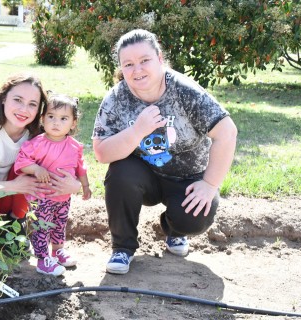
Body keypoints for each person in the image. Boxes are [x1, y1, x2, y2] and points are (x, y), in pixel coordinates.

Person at [92, 29, 237, 275]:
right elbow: (102, 152)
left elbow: (227, 132)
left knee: (196, 217)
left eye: (144, 60)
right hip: (143, 176)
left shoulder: (184, 91)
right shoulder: (116, 98)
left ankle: (174, 231)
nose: (137, 70)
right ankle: (122, 248)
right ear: (121, 68)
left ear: (159, 58)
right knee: (119, 173)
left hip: (187, 179)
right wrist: (137, 131)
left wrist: (210, 185)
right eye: (128, 64)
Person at [0, 74, 82, 266]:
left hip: (15, 201)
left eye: (32, 104)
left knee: (36, 167)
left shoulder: (39, 135)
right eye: (18, 100)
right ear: (3, 98)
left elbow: (66, 165)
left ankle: (15, 225)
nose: (23, 110)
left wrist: (75, 185)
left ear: (40, 110)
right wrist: (13, 186)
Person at [14, 93, 92, 276]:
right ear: (42, 119)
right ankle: (42, 259)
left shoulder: (75, 146)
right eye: (51, 117)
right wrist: (35, 169)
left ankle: (58, 251)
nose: (56, 123)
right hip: (41, 196)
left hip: (63, 198)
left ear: (73, 123)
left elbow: (81, 168)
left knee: (59, 224)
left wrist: (86, 186)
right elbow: (22, 161)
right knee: (42, 226)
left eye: (63, 118)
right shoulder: (36, 144)